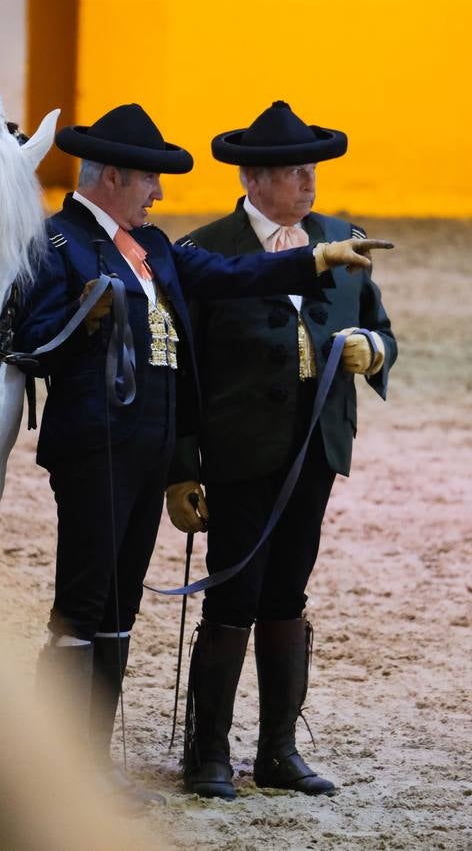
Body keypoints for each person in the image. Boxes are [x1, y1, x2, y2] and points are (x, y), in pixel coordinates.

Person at [13, 102, 389, 805]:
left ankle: (89, 762)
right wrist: (80, 320)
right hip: (95, 447)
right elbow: (31, 343)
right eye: (149, 180)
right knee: (83, 605)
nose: (158, 193)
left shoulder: (153, 249)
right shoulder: (59, 243)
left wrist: (313, 259)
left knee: (118, 607)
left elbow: (228, 274)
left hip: (147, 448)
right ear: (114, 176)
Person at [166, 100, 397, 801]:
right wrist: (182, 468)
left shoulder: (342, 239)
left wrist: (371, 349)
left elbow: (381, 329)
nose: (310, 184)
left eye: (313, 170)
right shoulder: (207, 250)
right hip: (238, 452)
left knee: (289, 593)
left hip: (316, 447)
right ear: (255, 179)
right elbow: (181, 368)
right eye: (297, 172)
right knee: (233, 593)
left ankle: (278, 750)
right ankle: (207, 752)